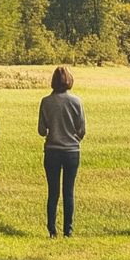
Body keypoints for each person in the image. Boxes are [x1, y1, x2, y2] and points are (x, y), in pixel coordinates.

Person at [38, 66, 86, 238]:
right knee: (69, 190)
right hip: (72, 151)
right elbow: (82, 130)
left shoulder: (46, 102)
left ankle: (52, 230)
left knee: (53, 191)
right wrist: (73, 139)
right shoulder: (76, 102)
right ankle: (68, 230)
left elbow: (42, 130)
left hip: (52, 151)